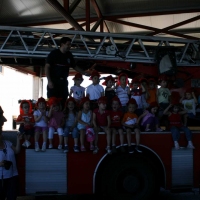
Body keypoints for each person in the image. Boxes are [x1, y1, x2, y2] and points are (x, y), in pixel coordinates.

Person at [45, 37, 86, 107]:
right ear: (62, 44)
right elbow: (47, 67)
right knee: (52, 102)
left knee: (63, 101)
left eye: (70, 45)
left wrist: (85, 73)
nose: (70, 46)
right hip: (54, 81)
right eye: (68, 44)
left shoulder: (69, 55)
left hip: (63, 82)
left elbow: (74, 66)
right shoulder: (54, 54)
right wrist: (49, 81)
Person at [0, 107, 22, 200]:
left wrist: (18, 140)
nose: (4, 120)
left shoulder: (7, 143)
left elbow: (17, 151)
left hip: (12, 176)